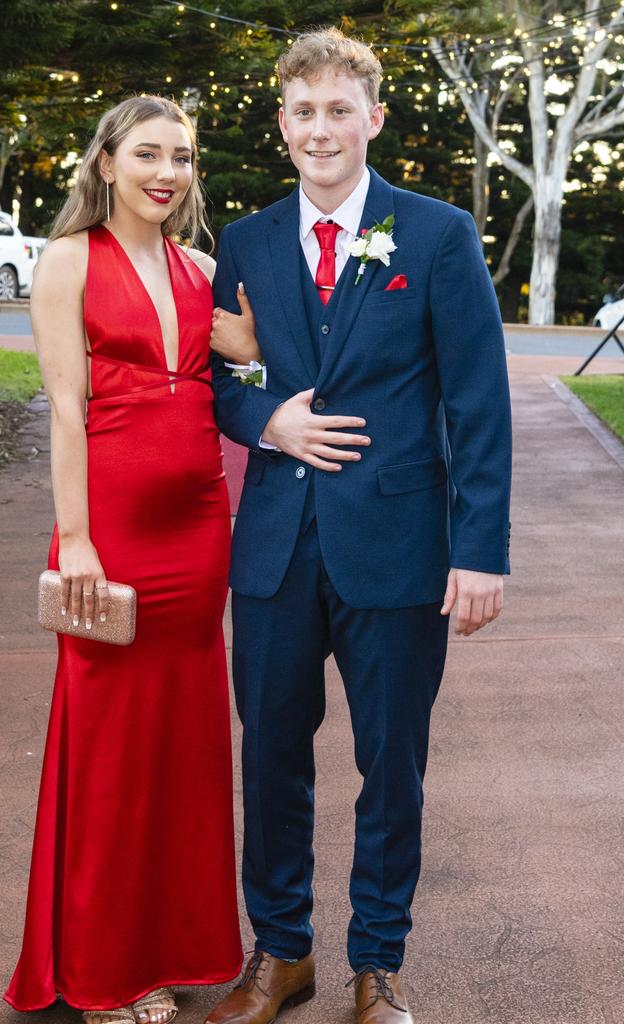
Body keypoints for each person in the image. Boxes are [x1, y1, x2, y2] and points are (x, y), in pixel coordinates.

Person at [207, 28, 512, 1024]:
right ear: (283, 122)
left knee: (392, 762)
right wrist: (267, 417)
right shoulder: (247, 241)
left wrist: (480, 550)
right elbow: (227, 377)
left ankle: (378, 964)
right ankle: (281, 952)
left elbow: (476, 400)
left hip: (400, 547)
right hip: (276, 549)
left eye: (341, 109)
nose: (321, 129)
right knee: (272, 756)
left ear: (374, 118)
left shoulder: (436, 235)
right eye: (304, 111)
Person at [4, 95, 249, 1024]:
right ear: (105, 162)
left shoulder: (202, 269)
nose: (167, 172)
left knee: (182, 745)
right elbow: (66, 409)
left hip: (200, 527)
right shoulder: (68, 260)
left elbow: (242, 381)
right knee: (107, 744)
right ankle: (103, 968)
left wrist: (255, 350)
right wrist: (75, 540)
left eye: (181, 157)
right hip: (110, 532)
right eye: (147, 153)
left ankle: (175, 947)